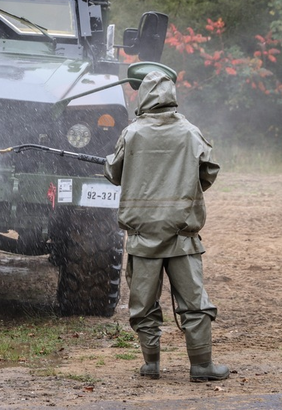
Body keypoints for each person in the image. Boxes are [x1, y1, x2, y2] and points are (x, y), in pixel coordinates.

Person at [103, 70, 230, 382]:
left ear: (143, 97)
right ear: (172, 95)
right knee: (194, 304)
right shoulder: (190, 132)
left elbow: (115, 173)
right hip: (181, 236)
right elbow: (209, 172)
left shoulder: (131, 134)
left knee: (143, 304)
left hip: (143, 236)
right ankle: (201, 366)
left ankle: (151, 364)